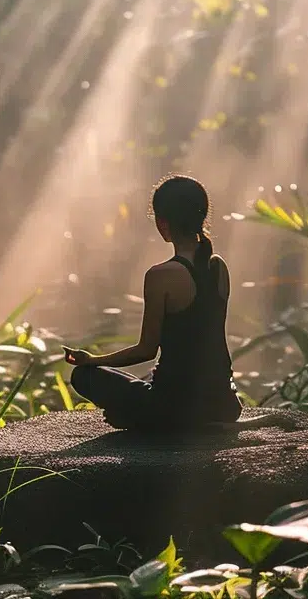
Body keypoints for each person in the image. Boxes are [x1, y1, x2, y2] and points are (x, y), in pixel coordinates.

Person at [63, 174, 243, 431]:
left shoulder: (161, 275)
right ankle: (139, 416)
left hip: (175, 409)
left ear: (162, 223)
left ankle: (139, 419)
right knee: (149, 376)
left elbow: (146, 350)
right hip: (225, 404)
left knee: (83, 376)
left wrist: (92, 359)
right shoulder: (219, 266)